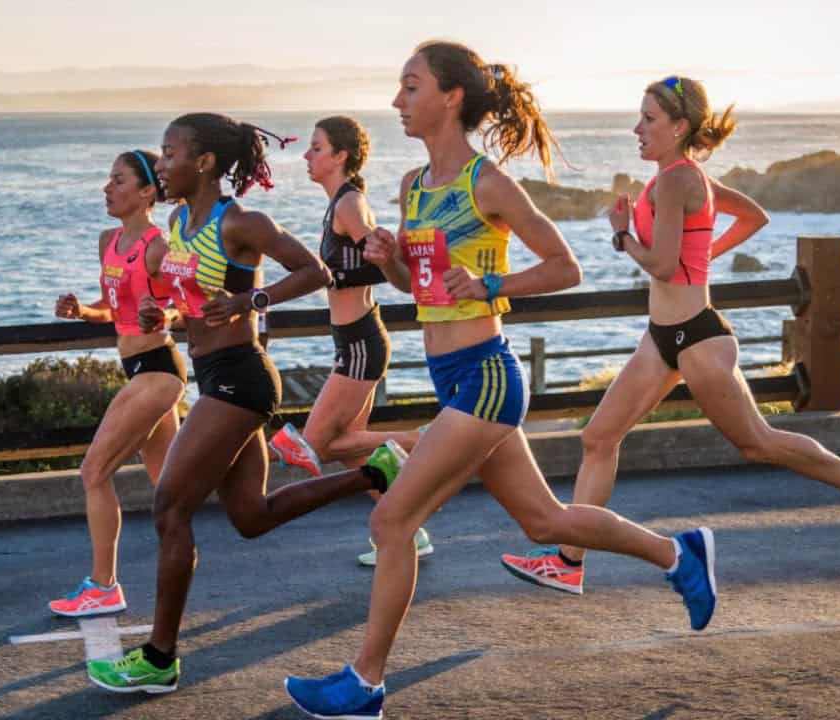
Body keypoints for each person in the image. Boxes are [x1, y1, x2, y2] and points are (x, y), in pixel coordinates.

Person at [284, 43, 719, 719]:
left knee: (391, 519)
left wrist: (491, 284)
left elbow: (566, 266)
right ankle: (678, 554)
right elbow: (419, 290)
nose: (398, 100)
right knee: (545, 520)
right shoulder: (413, 186)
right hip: (453, 376)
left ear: (451, 97)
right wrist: (390, 259)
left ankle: (365, 684)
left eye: (410, 87)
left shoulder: (486, 183)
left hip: (487, 375)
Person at [500, 75, 840, 596]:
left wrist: (623, 236)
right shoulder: (684, 178)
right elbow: (753, 217)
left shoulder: (676, 182)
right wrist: (702, 255)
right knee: (598, 438)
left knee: (757, 443)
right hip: (663, 338)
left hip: (697, 339)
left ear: (679, 126)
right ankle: (568, 561)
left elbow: (664, 266)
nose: (636, 128)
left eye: (648, 119)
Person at [85, 113, 409, 695]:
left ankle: (159, 658)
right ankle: (375, 471)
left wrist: (249, 301)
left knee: (170, 508)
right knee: (250, 517)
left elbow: (315, 270)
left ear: (204, 161)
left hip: (241, 378)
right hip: (214, 378)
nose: (162, 165)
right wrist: (167, 313)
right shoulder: (180, 222)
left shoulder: (240, 221)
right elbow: (192, 298)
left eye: (170, 153)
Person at [266, 115, 433, 566]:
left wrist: (330, 275)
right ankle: (411, 534)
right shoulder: (339, 204)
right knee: (354, 447)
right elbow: (363, 263)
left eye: (316, 147)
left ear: (340, 156)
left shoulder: (349, 204)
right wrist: (331, 275)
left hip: (360, 343)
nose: (307, 155)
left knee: (314, 446)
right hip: (355, 340)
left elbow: (380, 259)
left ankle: (422, 439)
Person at [48, 149, 185, 617]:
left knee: (94, 471)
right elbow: (114, 309)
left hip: (158, 370)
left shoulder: (158, 247)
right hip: (138, 368)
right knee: (169, 487)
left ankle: (103, 586)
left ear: (147, 192)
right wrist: (82, 311)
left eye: (119, 180)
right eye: (109, 179)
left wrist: (165, 314)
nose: (108, 188)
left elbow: (187, 303)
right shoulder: (108, 241)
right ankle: (186, 562)